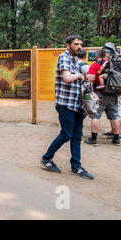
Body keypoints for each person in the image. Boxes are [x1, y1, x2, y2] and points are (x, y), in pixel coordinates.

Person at [41, 35, 93, 180]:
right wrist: (78, 75)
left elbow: (77, 82)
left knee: (77, 136)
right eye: (76, 44)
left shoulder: (76, 60)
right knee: (66, 134)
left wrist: (90, 94)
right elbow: (67, 78)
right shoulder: (64, 57)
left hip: (77, 105)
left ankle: (76, 166)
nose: (79, 47)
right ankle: (46, 158)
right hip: (65, 104)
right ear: (68, 45)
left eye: (81, 44)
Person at [85, 46, 121, 146]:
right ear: (105, 56)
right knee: (114, 116)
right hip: (112, 93)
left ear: (96, 55)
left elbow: (91, 79)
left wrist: (88, 77)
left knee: (95, 116)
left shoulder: (94, 65)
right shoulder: (112, 64)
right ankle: (116, 139)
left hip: (99, 93)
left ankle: (93, 139)